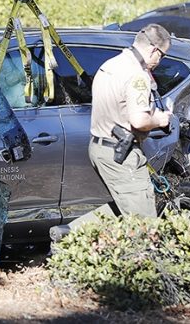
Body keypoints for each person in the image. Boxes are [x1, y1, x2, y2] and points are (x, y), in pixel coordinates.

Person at [50, 23, 172, 242]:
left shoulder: (110, 65)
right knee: (144, 223)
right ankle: (148, 270)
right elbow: (139, 120)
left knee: (123, 206)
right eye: (162, 56)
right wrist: (160, 119)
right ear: (154, 49)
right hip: (122, 153)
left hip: (99, 147)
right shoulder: (137, 75)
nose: (159, 61)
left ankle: (70, 235)